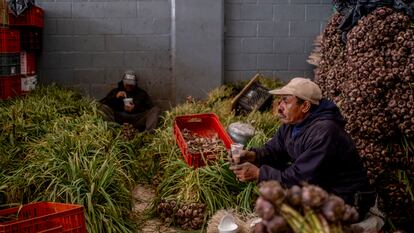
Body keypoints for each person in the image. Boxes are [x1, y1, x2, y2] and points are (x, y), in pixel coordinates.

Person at [230, 77, 377, 219]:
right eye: (280, 100)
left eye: (286, 101)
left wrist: (258, 173)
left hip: (346, 198)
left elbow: (300, 178)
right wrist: (252, 155)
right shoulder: (291, 125)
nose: (280, 106)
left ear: (305, 106)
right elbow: (274, 150)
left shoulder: (325, 131)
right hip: (322, 188)